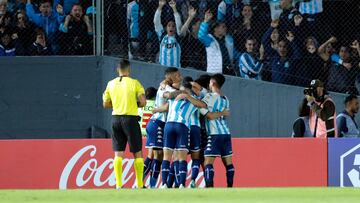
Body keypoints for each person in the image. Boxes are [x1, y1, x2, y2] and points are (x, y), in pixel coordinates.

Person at [102, 59, 146, 189]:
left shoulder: (110, 83)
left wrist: (117, 105)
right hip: (130, 119)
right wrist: (134, 104)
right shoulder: (135, 83)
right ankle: (139, 184)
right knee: (137, 152)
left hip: (115, 119)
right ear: (129, 69)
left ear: (117, 70)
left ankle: (119, 185)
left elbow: (105, 104)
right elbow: (143, 102)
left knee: (118, 153)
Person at [160, 76, 207, 188]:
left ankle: (164, 184)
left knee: (167, 157)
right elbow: (204, 105)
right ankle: (181, 184)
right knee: (182, 158)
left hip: (169, 125)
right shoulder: (194, 99)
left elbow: (163, 91)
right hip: (183, 127)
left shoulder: (173, 95)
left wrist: (166, 85)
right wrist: (187, 95)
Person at [145, 67, 182, 188]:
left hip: (160, 123)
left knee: (157, 156)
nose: (180, 77)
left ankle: (149, 185)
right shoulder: (163, 88)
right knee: (157, 155)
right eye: (177, 75)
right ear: (170, 77)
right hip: (157, 123)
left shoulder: (168, 86)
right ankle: (142, 183)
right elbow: (168, 97)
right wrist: (183, 93)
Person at [200, 73, 234, 188]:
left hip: (214, 134)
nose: (209, 85)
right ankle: (230, 187)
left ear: (213, 83)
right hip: (226, 133)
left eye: (209, 83)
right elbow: (226, 114)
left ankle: (209, 187)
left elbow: (208, 115)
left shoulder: (210, 97)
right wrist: (221, 113)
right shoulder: (226, 99)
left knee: (208, 162)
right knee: (228, 163)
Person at [198, 10, 239, 76]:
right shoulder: (210, 39)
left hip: (228, 72)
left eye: (225, 27)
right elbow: (201, 36)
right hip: (215, 73)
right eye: (223, 27)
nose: (225, 28)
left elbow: (235, 54)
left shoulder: (227, 41)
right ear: (215, 29)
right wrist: (205, 21)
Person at [154, 0, 183, 68]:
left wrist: (174, 8)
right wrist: (160, 6)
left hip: (175, 70)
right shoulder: (162, 35)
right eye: (169, 25)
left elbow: (179, 24)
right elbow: (156, 21)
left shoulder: (178, 37)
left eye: (173, 26)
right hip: (162, 68)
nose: (171, 28)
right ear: (166, 28)